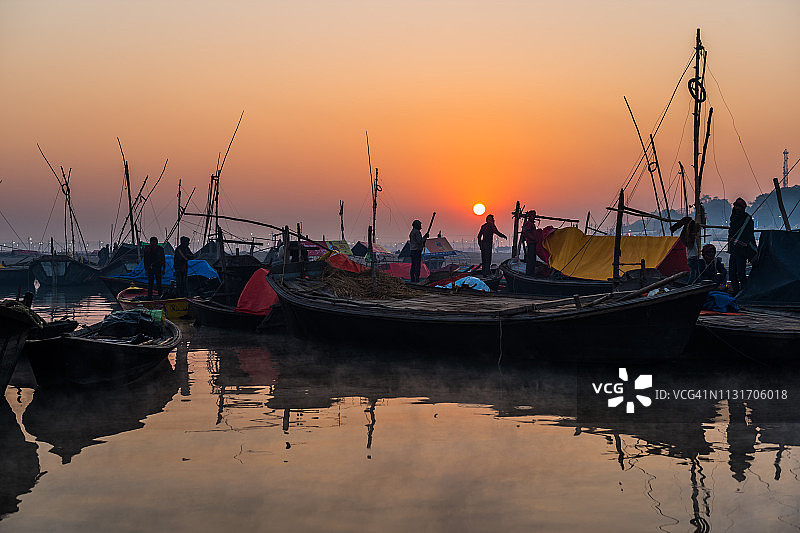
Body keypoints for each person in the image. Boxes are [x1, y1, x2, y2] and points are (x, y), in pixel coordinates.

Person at [728, 197, 756, 294]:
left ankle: (744, 293)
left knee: (741, 273)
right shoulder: (734, 217)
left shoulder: (747, 219)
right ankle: (736, 292)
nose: (737, 208)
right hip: (733, 250)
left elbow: (749, 235)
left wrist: (743, 243)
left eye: (739, 206)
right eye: (736, 205)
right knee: (732, 274)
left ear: (743, 207)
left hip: (741, 250)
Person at [521, 210, 538, 276]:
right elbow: (527, 232)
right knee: (531, 259)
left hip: (532, 243)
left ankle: (531, 272)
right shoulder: (529, 224)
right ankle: (530, 273)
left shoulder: (531, 224)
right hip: (531, 243)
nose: (534, 217)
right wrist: (534, 238)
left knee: (532, 259)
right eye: (533, 215)